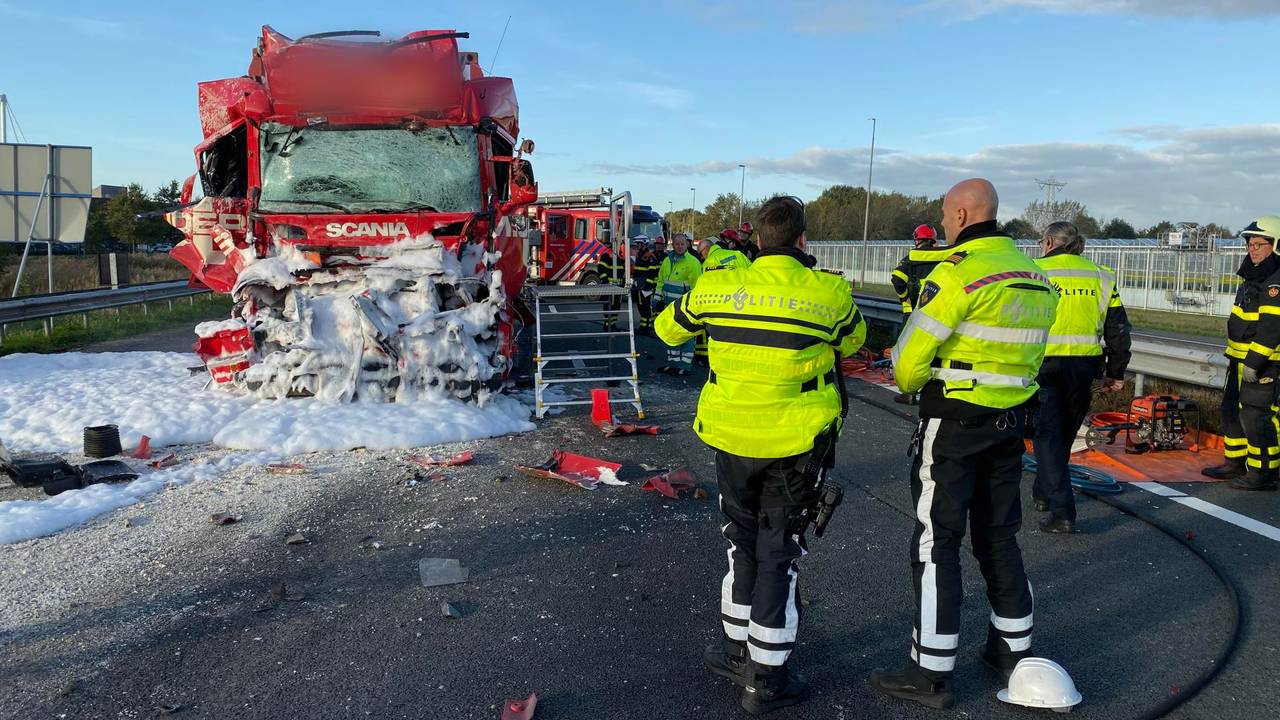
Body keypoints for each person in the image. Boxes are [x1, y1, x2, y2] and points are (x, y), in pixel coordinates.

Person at [655, 195, 866, 715]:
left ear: (754, 240)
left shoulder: (717, 287)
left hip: (730, 438)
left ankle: (734, 652)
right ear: (802, 240)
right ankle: (767, 680)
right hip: (796, 443)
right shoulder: (828, 293)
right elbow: (855, 343)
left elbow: (665, 330)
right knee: (779, 553)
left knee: (740, 543)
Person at [871, 178, 1056, 709]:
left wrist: (914, 381)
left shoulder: (957, 273)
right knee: (999, 536)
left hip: (954, 421)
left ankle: (930, 670)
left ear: (959, 213)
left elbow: (908, 364)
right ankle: (1013, 652)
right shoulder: (1035, 276)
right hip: (1010, 421)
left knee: (937, 541)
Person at [1033, 222, 1132, 533]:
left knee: (1047, 435)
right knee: (1062, 433)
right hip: (1085, 365)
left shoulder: (1035, 270)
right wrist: (1115, 372)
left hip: (1043, 363)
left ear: (1049, 241)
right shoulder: (1100, 275)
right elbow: (1118, 329)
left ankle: (1062, 511)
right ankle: (1044, 491)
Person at [1203, 216, 1280, 491]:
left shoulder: (1275, 280)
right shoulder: (1254, 274)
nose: (1253, 249)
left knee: (1256, 416)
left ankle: (1263, 472)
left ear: (1276, 245)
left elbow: (1272, 328)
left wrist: (1255, 362)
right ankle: (1234, 462)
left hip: (1264, 363)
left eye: (1260, 244)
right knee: (1231, 411)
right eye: (1250, 243)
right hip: (1238, 358)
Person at [654, 233, 702, 375]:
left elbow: (696, 287)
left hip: (685, 307)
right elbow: (661, 281)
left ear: (687, 244)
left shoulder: (693, 262)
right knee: (671, 334)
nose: (680, 246)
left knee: (686, 336)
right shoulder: (666, 261)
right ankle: (673, 363)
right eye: (677, 244)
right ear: (672, 245)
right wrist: (656, 298)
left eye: (682, 244)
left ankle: (685, 366)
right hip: (669, 306)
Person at [890, 224, 952, 319]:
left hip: (913, 312)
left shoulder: (911, 258)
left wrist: (905, 297)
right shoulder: (944, 257)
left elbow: (897, 279)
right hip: (937, 313)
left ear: (918, 240)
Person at [633, 238, 662, 335]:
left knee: (645, 308)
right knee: (641, 307)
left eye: (639, 244)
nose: (637, 246)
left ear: (644, 244)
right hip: (639, 285)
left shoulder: (650, 256)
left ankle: (646, 328)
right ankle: (643, 326)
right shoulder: (640, 255)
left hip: (646, 287)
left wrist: (647, 286)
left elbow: (652, 272)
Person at [595, 244, 625, 331]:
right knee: (609, 307)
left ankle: (613, 325)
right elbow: (601, 268)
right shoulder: (607, 255)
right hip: (610, 286)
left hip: (619, 287)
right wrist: (606, 282)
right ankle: (608, 326)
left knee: (616, 307)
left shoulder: (619, 257)